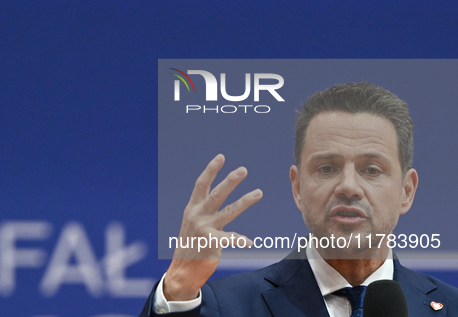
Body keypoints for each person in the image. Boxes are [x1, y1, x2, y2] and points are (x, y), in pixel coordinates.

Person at [140, 82, 458, 316]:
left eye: (371, 169)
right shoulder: (226, 306)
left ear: (407, 191)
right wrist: (179, 288)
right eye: (327, 168)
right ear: (297, 188)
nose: (348, 186)